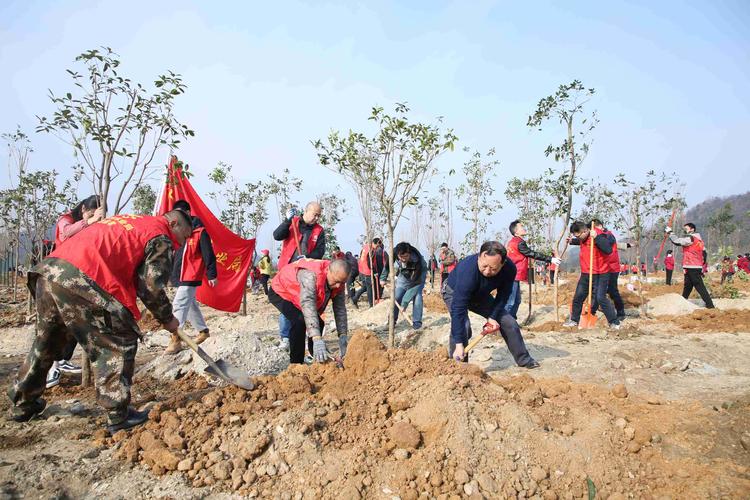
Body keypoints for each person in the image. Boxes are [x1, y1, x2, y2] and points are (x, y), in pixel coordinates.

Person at [7, 211, 192, 432]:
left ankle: (23, 404)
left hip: (48, 273)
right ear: (173, 223)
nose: (181, 244)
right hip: (81, 279)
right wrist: (167, 319)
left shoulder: (132, 221)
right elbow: (151, 287)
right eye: (184, 236)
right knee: (117, 341)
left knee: (47, 341)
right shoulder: (160, 235)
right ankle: (118, 416)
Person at [442, 241, 538, 368]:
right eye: (484, 266)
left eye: (493, 269)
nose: (487, 271)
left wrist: (492, 317)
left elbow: (503, 295)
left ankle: (524, 359)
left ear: (502, 264)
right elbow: (458, 309)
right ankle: (459, 366)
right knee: (464, 326)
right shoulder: (468, 270)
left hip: (480, 296)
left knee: (509, 322)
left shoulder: (509, 269)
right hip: (453, 292)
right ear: (479, 257)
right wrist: (459, 344)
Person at [45, 195, 106, 389]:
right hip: (58, 274)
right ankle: (50, 369)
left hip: (77, 277)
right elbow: (65, 233)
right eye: (90, 212)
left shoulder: (92, 224)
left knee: (75, 323)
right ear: (83, 210)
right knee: (57, 323)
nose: (92, 216)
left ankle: (61, 360)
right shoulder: (66, 219)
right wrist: (89, 221)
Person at [267, 258, 350, 364]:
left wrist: (342, 335)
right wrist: (316, 338)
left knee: (319, 323)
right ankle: (296, 364)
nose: (338, 285)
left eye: (342, 282)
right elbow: (308, 304)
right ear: (328, 270)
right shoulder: (311, 276)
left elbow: (340, 309)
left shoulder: (339, 280)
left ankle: (318, 357)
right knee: (299, 321)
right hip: (282, 291)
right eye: (336, 281)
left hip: (298, 294)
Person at [273, 202, 326, 351]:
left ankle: (301, 338)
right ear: (306, 211)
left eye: (319, 215)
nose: (316, 218)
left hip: (304, 273)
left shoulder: (319, 230)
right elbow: (277, 236)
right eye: (314, 214)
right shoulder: (293, 223)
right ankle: (285, 338)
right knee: (287, 304)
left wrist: (307, 257)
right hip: (287, 273)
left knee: (302, 305)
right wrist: (286, 221)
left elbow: (320, 251)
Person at [166, 200, 218, 353]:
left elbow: (208, 253)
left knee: (179, 304)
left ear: (188, 213)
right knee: (189, 305)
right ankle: (203, 331)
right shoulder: (176, 232)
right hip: (178, 274)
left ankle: (175, 339)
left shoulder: (200, 232)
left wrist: (212, 274)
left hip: (191, 274)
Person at [563, 221, 621, 329]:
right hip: (586, 273)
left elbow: (608, 249)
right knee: (578, 297)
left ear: (585, 231)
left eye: (578, 236)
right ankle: (574, 320)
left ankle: (614, 322)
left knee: (600, 298)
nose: (578, 238)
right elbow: (581, 241)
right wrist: (572, 241)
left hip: (601, 273)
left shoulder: (600, 235)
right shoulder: (582, 237)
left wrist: (597, 237)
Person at [505, 220, 561, 319]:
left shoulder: (512, 242)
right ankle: (504, 325)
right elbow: (532, 254)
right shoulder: (519, 242)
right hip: (513, 274)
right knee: (511, 302)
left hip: (512, 274)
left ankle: (511, 322)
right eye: (521, 226)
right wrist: (551, 259)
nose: (524, 228)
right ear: (516, 232)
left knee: (516, 300)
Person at [667, 223, 714, 308]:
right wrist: (701, 265)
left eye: (687, 228)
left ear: (692, 229)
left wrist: (670, 233)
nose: (685, 230)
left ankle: (710, 305)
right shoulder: (700, 241)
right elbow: (704, 254)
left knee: (699, 286)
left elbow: (677, 242)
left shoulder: (691, 238)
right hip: (692, 266)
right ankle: (683, 302)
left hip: (692, 266)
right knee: (688, 286)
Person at [590, 219, 628, 322]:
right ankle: (592, 311)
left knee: (612, 291)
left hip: (612, 268)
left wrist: (597, 236)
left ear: (601, 226)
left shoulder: (608, 235)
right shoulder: (597, 235)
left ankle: (620, 313)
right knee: (597, 290)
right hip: (601, 268)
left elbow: (607, 244)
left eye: (596, 229)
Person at [392, 242, 428, 330]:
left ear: (410, 254)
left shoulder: (417, 260)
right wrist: (383, 277)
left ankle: (417, 322)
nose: (403, 259)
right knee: (397, 296)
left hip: (418, 275)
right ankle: (392, 321)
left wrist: (404, 303)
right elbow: (387, 265)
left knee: (417, 295)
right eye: (401, 257)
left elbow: (415, 284)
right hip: (404, 274)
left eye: (406, 257)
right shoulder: (395, 253)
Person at [352, 238, 386, 308]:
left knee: (365, 287)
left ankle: (355, 299)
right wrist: (375, 272)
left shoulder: (366, 246)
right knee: (370, 288)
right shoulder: (372, 251)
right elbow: (369, 263)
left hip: (361, 270)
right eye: (378, 246)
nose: (378, 247)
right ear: (375, 243)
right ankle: (371, 305)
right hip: (367, 272)